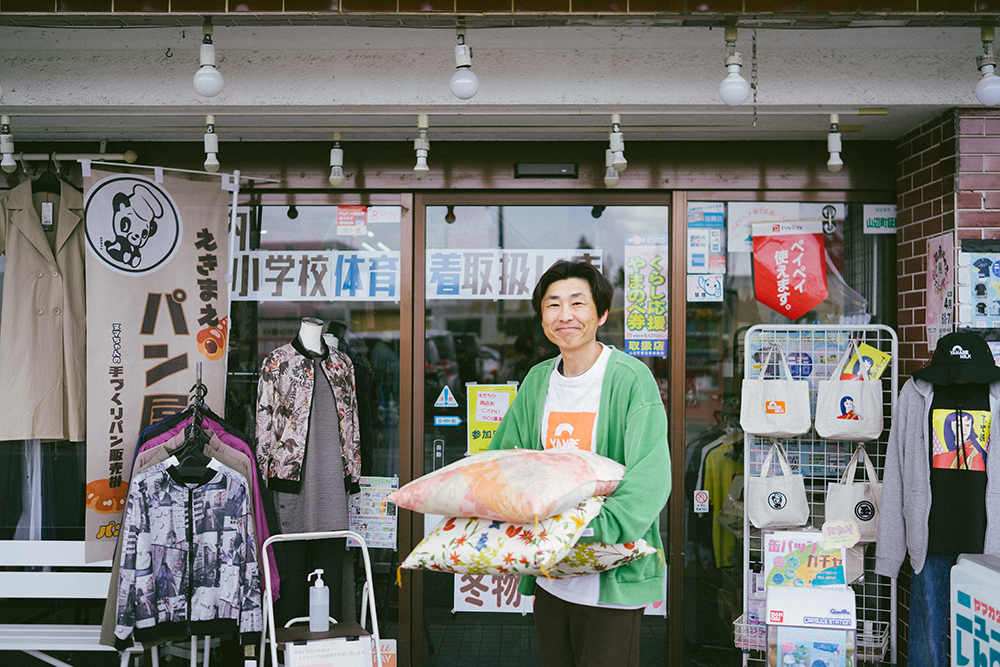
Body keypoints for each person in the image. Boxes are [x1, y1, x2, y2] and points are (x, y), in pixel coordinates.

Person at [488, 260, 671, 667]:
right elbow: (505, 458)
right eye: (553, 305)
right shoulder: (538, 379)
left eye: (577, 303)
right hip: (553, 576)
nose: (564, 315)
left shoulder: (630, 379)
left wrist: (590, 529)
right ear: (542, 316)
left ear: (601, 313)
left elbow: (651, 476)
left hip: (611, 572)